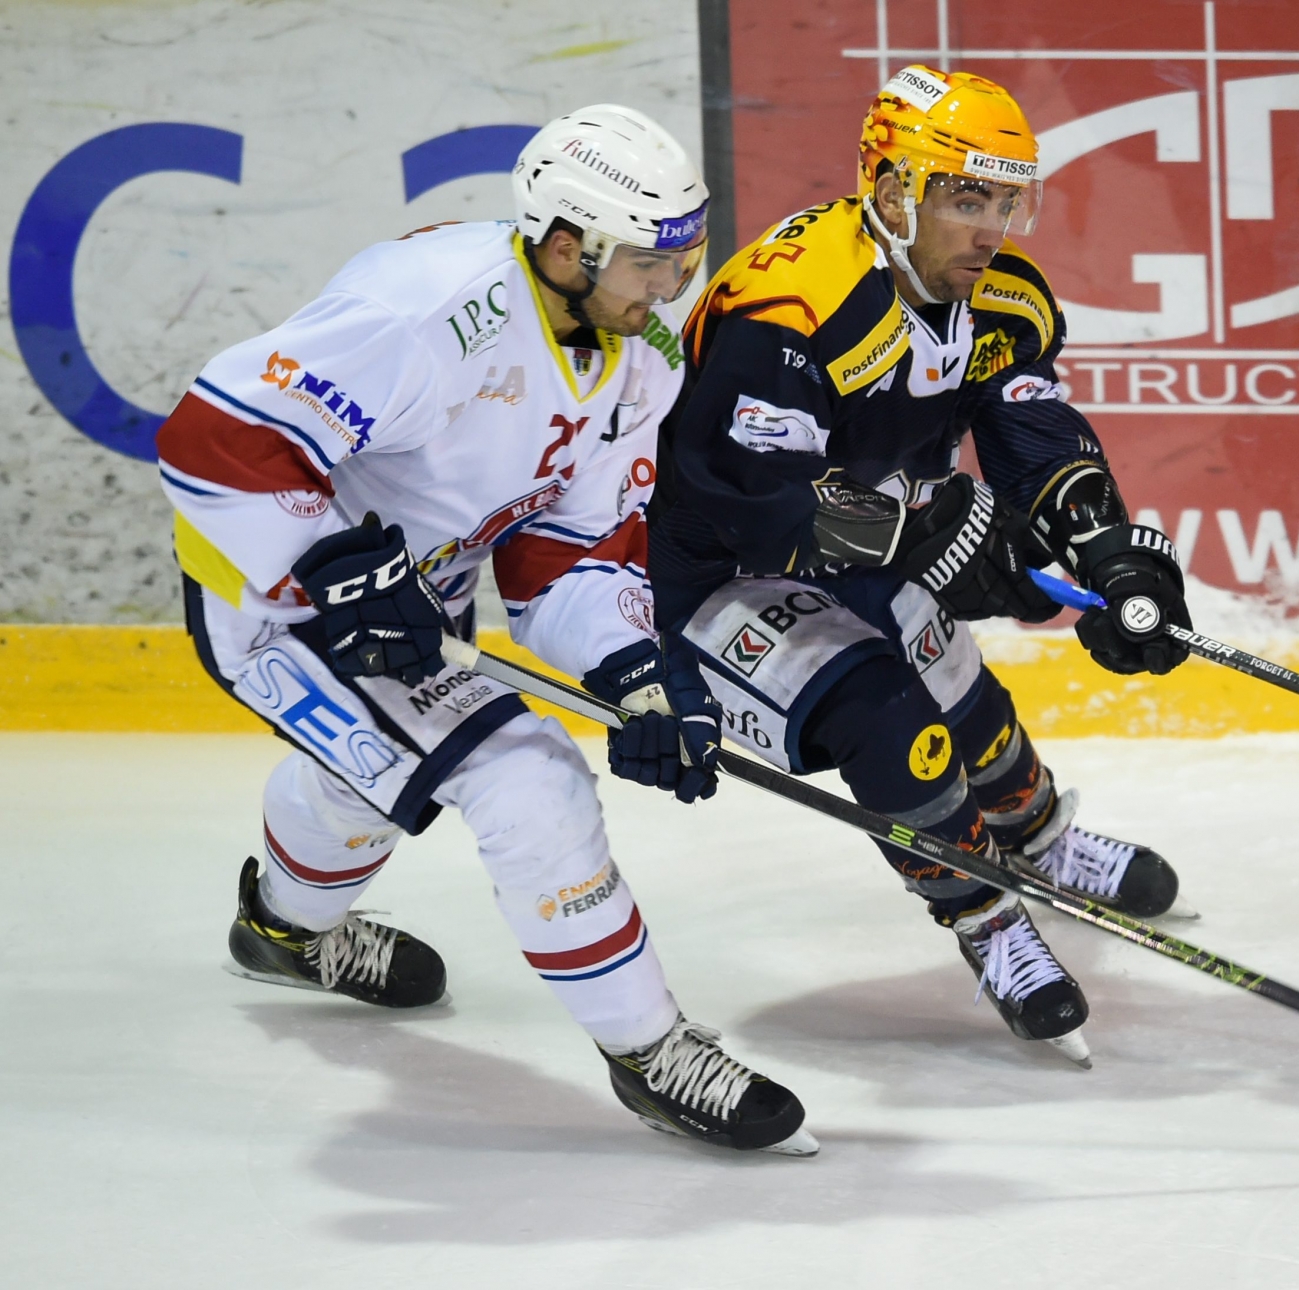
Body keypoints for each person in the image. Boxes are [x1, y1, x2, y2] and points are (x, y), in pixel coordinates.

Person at [155, 105, 815, 1156]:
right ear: (567, 246)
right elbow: (211, 437)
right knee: (524, 774)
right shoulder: (430, 310)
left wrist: (637, 676)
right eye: (651, 263)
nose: (671, 291)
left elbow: (563, 550)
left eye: (682, 257)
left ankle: (282, 930)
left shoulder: (638, 357)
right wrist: (327, 565)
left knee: (364, 779)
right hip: (280, 604)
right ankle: (651, 1050)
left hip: (420, 598)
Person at [652, 66, 1193, 1067]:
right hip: (707, 573)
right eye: (965, 197)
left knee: (959, 684)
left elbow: (1026, 424)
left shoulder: (1000, 297)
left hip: (858, 541)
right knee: (887, 716)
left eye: (1006, 199)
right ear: (894, 191)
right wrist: (932, 537)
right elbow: (753, 499)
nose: (989, 228)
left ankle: (1037, 839)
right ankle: (985, 912)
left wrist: (1100, 544)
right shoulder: (792, 303)